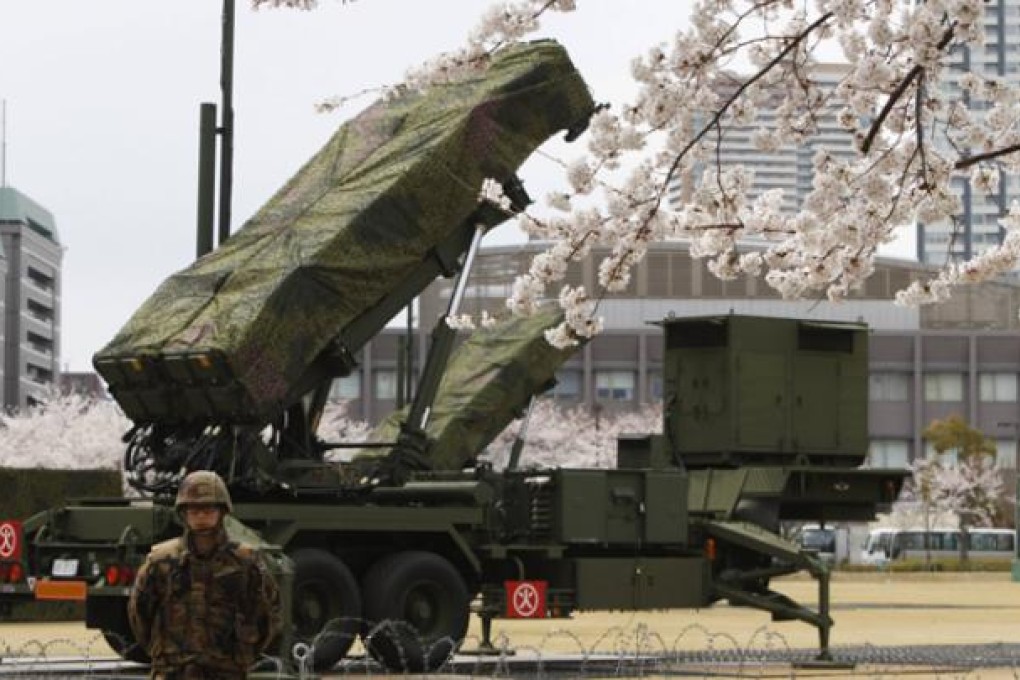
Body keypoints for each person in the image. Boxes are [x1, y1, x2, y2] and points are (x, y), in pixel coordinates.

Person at [128, 470, 281, 680]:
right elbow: (140, 613)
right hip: (173, 670)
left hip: (226, 671)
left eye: (208, 510)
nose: (201, 517)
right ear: (184, 514)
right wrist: (162, 651)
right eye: (194, 511)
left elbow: (268, 613)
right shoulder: (161, 561)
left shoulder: (246, 562)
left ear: (221, 512)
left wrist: (244, 654)